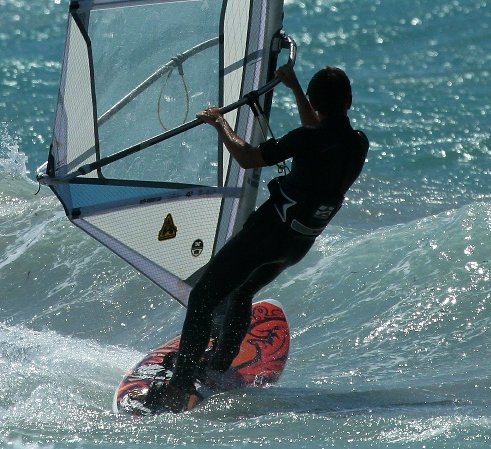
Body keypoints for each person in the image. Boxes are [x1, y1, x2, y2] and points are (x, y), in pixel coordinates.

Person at [149, 63, 369, 412]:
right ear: (350, 101)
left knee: (204, 298)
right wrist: (295, 87)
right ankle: (218, 367)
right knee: (242, 290)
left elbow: (249, 157)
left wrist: (219, 121)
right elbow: (321, 129)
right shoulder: (357, 144)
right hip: (298, 243)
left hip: (269, 233)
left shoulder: (306, 139)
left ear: (315, 101)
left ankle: (180, 385)